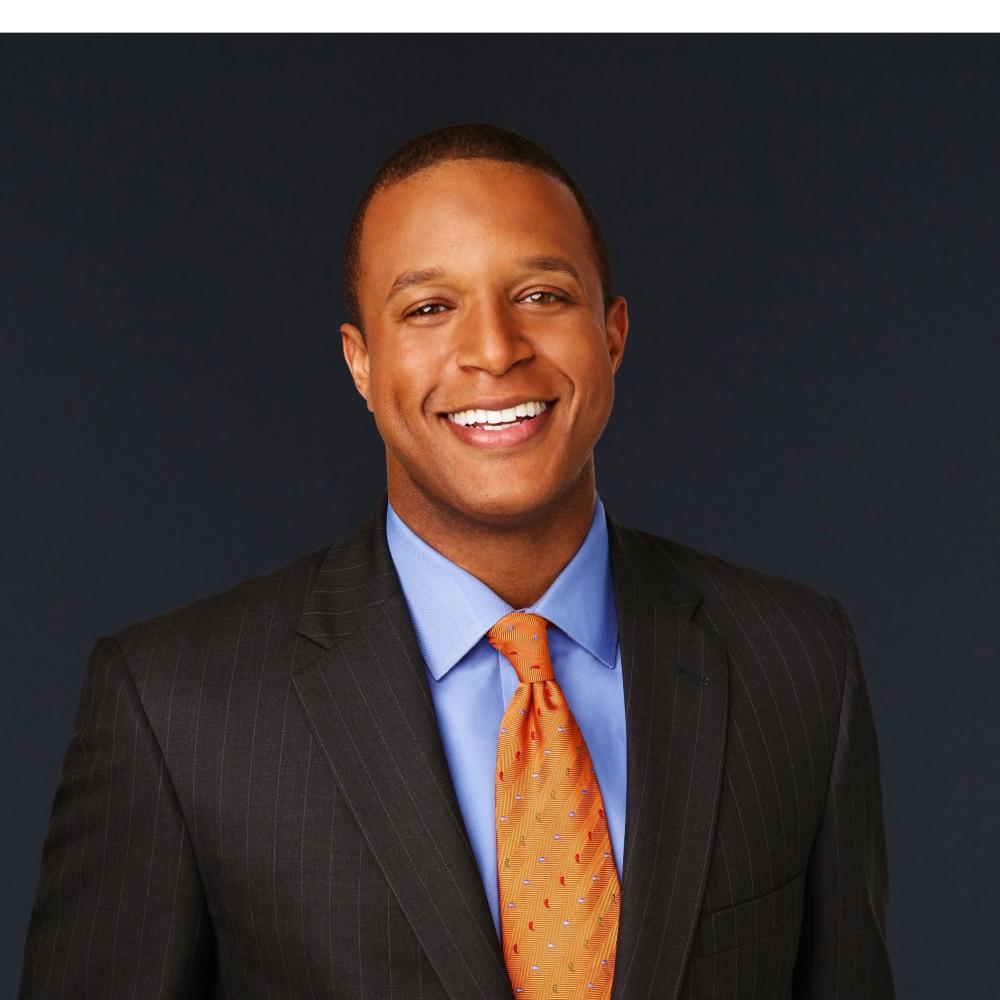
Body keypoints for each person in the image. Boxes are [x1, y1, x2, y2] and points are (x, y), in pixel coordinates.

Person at [18, 122, 895, 1000]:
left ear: (613, 335)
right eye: (430, 308)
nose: (495, 349)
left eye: (543, 295)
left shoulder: (798, 664)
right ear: (361, 364)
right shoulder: (175, 709)